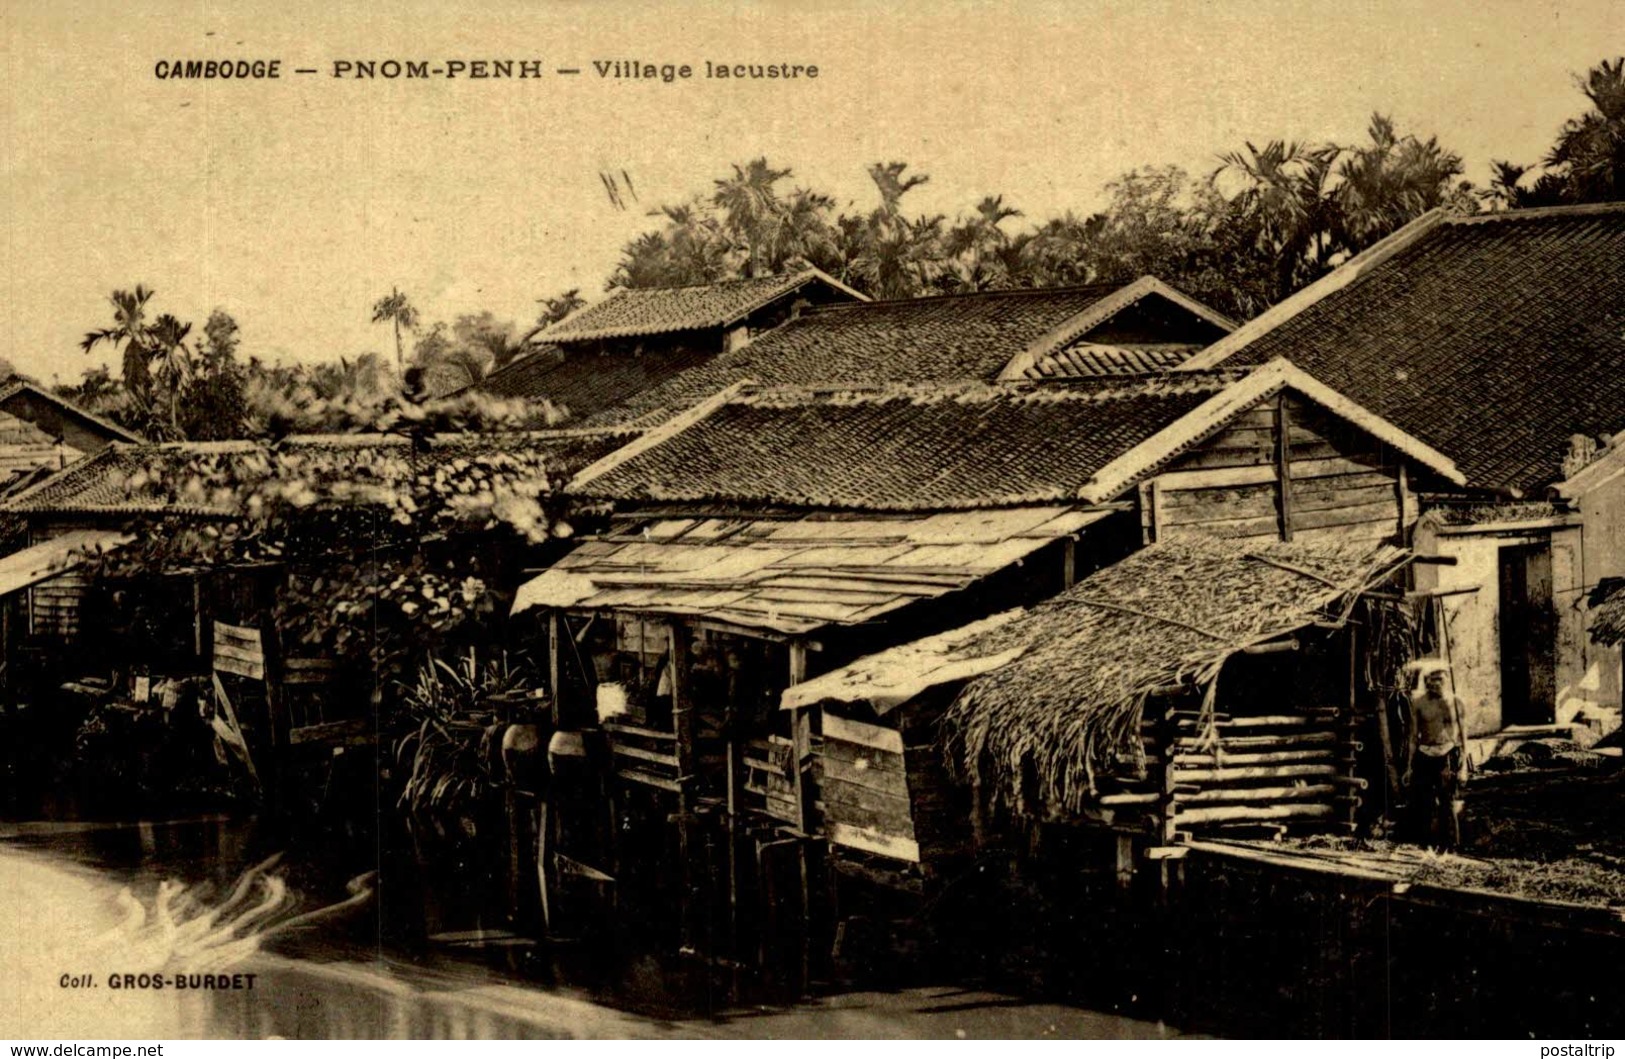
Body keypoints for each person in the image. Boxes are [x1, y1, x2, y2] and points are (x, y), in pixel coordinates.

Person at [1402, 659, 1469, 848]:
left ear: (1446, 679)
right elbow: (1413, 737)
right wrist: (1409, 767)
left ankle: (1450, 847)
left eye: (1439, 679)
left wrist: (1464, 767)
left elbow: (1464, 737)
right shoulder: (1418, 703)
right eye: (1430, 680)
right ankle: (1425, 846)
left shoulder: (1457, 703)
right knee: (1424, 802)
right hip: (1424, 755)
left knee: (1447, 801)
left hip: (1447, 753)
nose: (1435, 683)